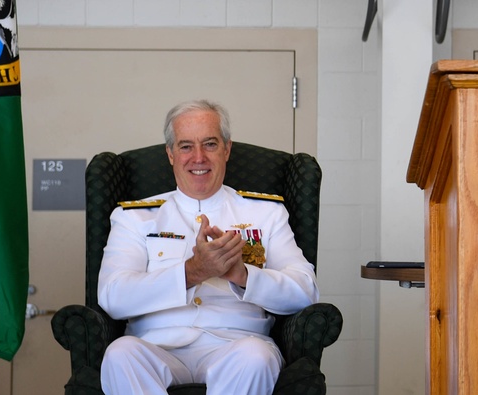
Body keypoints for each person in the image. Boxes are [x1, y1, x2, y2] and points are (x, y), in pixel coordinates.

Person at [98, 100, 321, 394]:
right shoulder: (135, 217)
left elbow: (305, 290)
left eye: (210, 144)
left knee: (257, 357)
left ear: (227, 150)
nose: (198, 158)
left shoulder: (266, 213)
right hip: (156, 345)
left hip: (236, 345)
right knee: (120, 354)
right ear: (170, 154)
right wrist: (191, 272)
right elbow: (112, 297)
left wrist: (241, 275)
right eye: (186, 146)